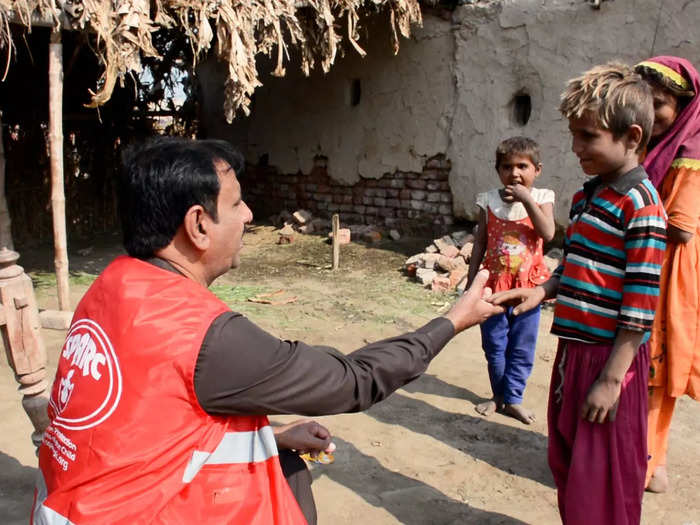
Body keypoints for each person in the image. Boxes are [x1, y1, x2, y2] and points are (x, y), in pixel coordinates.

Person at [32, 137, 503, 525]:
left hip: (80, 508)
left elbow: (141, 427)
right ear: (198, 225)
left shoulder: (113, 287)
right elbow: (354, 380)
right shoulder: (202, 335)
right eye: (236, 203)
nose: (249, 215)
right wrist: (451, 321)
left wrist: (270, 439)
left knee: (287, 464)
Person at [489, 63, 667, 525]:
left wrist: (612, 380)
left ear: (631, 137)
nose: (575, 148)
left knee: (603, 478)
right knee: (568, 462)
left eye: (588, 136)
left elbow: (641, 302)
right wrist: (542, 290)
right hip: (573, 352)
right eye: (573, 135)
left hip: (610, 358)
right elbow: (576, 264)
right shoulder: (587, 198)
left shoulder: (642, 206)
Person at [634, 56, 700, 494]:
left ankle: (644, 462)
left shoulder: (692, 155)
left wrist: (626, 211)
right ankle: (644, 458)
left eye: (658, 103)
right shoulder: (654, 147)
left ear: (683, 105)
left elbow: (680, 226)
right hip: (647, 259)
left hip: (667, 269)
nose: (648, 112)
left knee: (652, 369)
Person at [467, 136, 555, 424]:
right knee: (494, 344)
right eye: (507, 167)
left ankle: (514, 398)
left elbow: (548, 234)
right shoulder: (488, 200)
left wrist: (527, 199)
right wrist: (472, 286)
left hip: (528, 289)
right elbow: (480, 242)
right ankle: (498, 396)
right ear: (498, 170)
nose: (514, 173)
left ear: (537, 170)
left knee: (522, 346)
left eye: (522, 166)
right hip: (494, 287)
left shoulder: (542, 198)